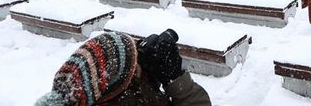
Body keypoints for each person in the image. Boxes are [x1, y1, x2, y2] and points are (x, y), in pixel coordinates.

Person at [34, 31, 211, 106]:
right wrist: (176, 79)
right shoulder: (130, 99)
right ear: (123, 85)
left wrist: (152, 81)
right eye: (137, 64)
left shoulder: (81, 93)